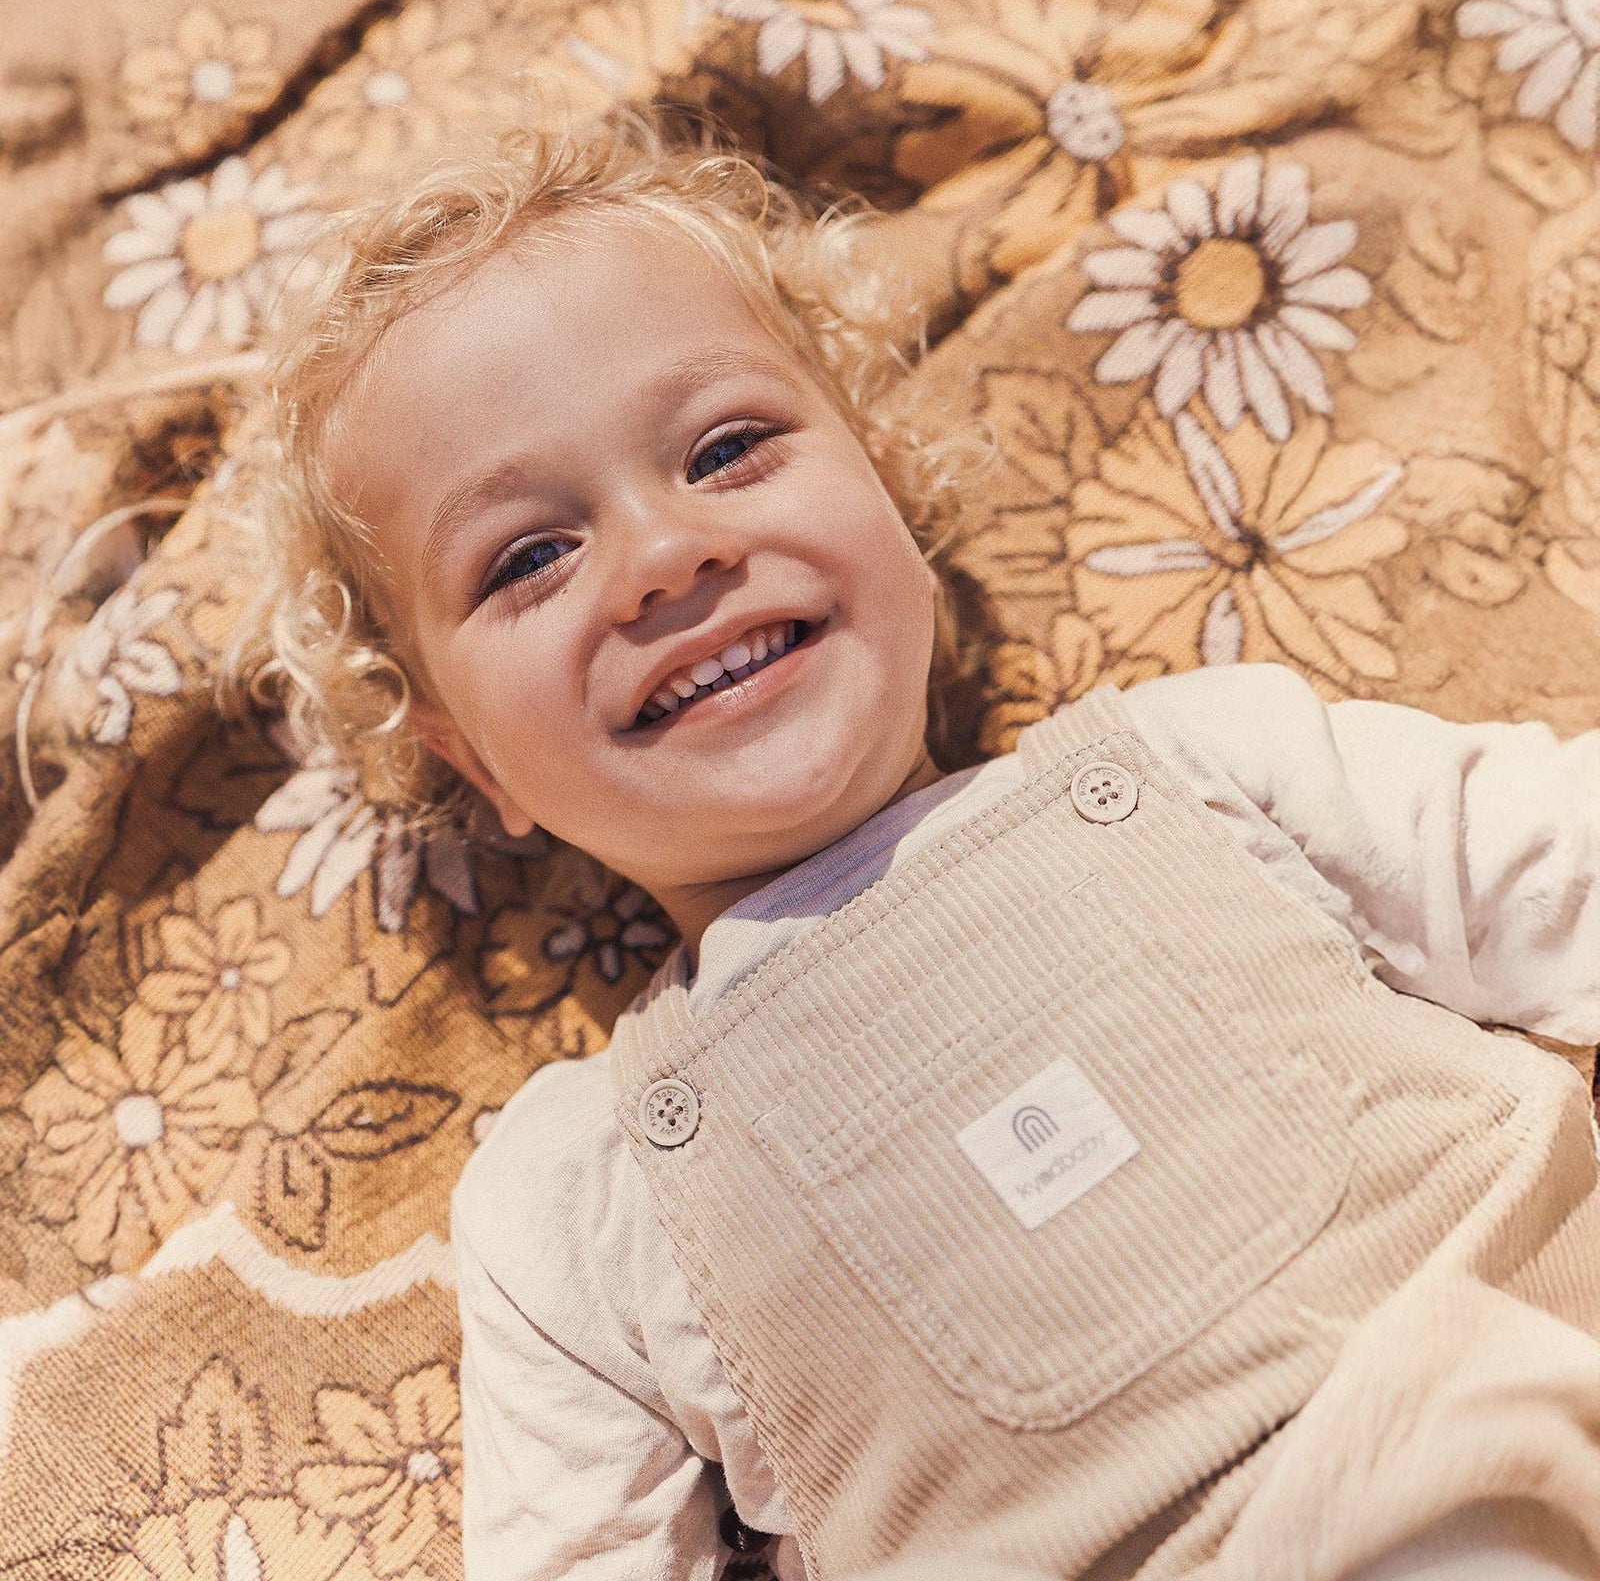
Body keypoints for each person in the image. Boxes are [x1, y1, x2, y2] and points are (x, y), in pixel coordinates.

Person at [224, 110, 1600, 1581]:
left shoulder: (1209, 759)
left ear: (886, 478)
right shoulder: (570, 1196)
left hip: (1511, 1437)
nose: (665, 554)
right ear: (466, 754)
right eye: (529, 557)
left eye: (729, 448)